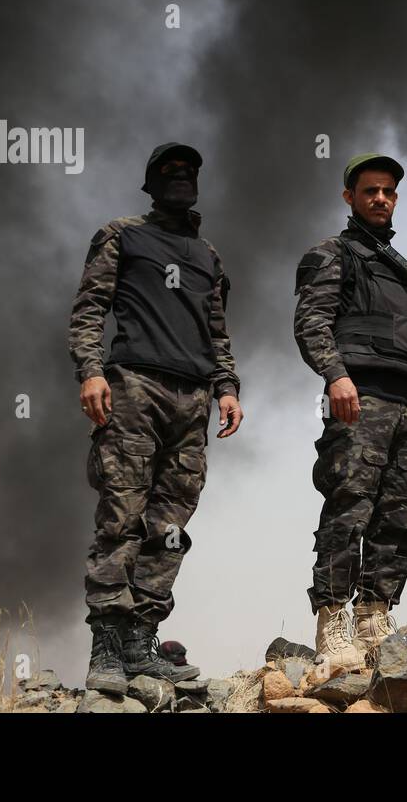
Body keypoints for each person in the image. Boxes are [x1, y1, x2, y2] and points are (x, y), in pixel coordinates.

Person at [68, 141, 243, 693]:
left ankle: (142, 641)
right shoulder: (122, 235)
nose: (180, 179)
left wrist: (227, 387)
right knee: (121, 516)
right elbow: (89, 309)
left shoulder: (207, 255)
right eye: (169, 172)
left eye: (188, 172)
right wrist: (91, 372)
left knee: (169, 528)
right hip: (133, 387)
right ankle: (107, 649)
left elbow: (216, 331)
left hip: (192, 400)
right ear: (150, 185)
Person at [294, 154, 407, 677]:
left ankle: (375, 614)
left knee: (399, 513)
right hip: (357, 399)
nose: (380, 198)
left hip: (401, 406)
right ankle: (333, 620)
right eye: (370, 190)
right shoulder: (333, 254)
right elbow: (311, 324)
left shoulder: (401, 273)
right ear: (349, 196)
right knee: (349, 505)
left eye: (388, 191)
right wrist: (335, 376)